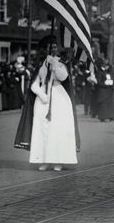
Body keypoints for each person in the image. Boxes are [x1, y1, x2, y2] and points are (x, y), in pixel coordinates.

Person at [26, 35, 78, 171]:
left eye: (55, 47)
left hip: (58, 96)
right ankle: (45, 159)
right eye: (50, 47)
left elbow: (63, 77)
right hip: (44, 100)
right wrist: (40, 93)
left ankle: (58, 160)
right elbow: (35, 84)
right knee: (43, 130)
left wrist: (54, 64)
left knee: (57, 130)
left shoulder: (61, 63)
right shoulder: (42, 65)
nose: (53, 49)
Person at [94, 57, 114, 122]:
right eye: (106, 66)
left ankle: (111, 116)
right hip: (103, 90)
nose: (108, 68)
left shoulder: (109, 72)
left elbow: (112, 78)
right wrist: (105, 84)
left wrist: (112, 83)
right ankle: (102, 117)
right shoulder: (99, 72)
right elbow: (98, 82)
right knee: (103, 104)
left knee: (110, 104)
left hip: (109, 90)